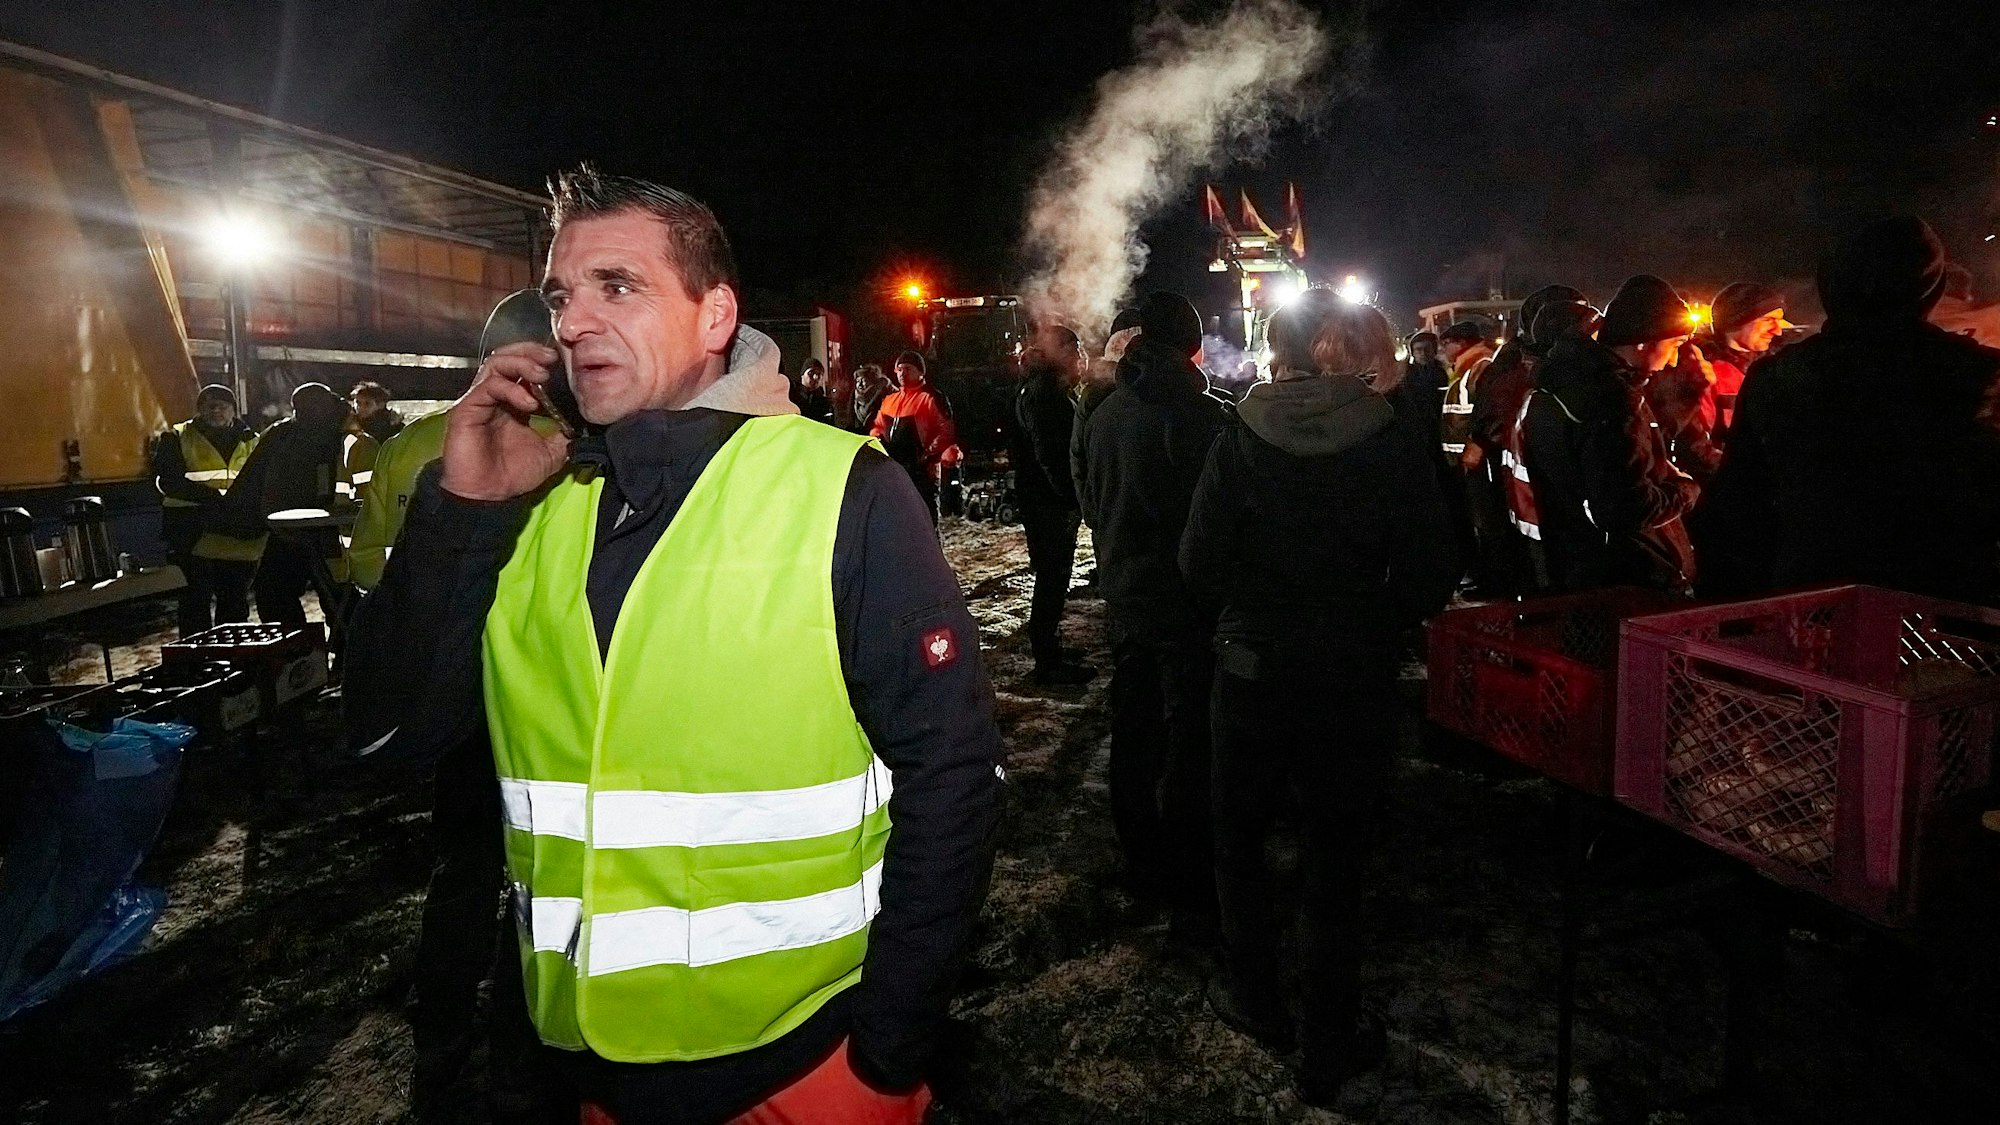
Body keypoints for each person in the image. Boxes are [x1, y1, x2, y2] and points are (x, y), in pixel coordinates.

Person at [344, 166, 1001, 1125]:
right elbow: (385, 739)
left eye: (619, 286)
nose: (572, 322)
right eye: (563, 295)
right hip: (579, 1070)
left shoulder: (842, 491)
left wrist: (886, 1053)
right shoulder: (529, 505)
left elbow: (955, 773)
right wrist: (464, 513)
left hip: (801, 1070)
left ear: (715, 314)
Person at [1180, 290, 1454, 1106]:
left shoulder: (1238, 440)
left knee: (1240, 837)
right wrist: (1372, 617)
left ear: (1277, 352)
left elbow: (1198, 565)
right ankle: (1328, 1037)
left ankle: (1257, 998)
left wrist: (1249, 616)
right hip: (1350, 679)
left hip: (1253, 674)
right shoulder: (1390, 439)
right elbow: (1433, 573)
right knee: (1337, 853)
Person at [1694, 217, 2000, 604]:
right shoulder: (1980, 376)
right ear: (1930, 289)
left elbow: (1734, 512)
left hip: (1811, 603)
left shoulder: (1779, 377)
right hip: (1942, 613)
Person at [1077, 291, 1226, 944]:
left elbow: (1086, 497)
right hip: (1187, 609)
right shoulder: (1201, 417)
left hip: (1126, 600)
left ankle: (1142, 865)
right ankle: (1192, 886)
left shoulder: (1101, 413)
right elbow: (1216, 524)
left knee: (1134, 740)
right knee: (1189, 747)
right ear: (1186, 345)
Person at [1519, 275, 1698, 593]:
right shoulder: (1611, 399)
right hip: (1625, 578)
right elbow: (1626, 508)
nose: (1673, 360)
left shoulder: (1565, 380)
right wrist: (1685, 489)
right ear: (1643, 341)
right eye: (1674, 346)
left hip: (1580, 566)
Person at [1462, 287, 1587, 594]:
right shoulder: (1525, 363)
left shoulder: (1516, 359)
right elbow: (1498, 408)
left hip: (1518, 469)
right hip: (1522, 470)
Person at [207, 382, 354, 625]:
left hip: (323, 532)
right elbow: (253, 480)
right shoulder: (297, 434)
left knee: (333, 598)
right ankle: (304, 653)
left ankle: (312, 653)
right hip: (297, 531)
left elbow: (251, 480)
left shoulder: (339, 434)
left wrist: (236, 516)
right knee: (282, 594)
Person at [1011, 325, 1093, 685]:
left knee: (1053, 577)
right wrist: (1069, 495)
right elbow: (1049, 454)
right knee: (1051, 578)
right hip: (1046, 502)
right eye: (1073, 347)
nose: (1079, 355)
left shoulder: (1046, 386)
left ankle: (1052, 649)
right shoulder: (1043, 391)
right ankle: (1047, 661)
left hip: (1043, 498)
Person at [1647, 283, 1792, 481]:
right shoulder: (1701, 370)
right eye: (1768, 320)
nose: (1778, 331)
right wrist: (1745, 478)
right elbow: (1695, 447)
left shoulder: (1777, 367)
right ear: (1737, 320)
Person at [152, 384, 259, 638]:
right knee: (194, 599)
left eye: (223, 406)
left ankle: (234, 653)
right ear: (199, 410)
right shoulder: (176, 437)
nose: (217, 411)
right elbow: (169, 481)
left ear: (233, 410)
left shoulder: (251, 440)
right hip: (190, 531)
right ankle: (197, 657)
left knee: (233, 598)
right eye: (210, 406)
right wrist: (216, 499)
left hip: (231, 529)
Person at [869, 351, 961, 523]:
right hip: (894, 473)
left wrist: (925, 456)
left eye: (908, 369)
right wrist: (877, 443)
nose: (902, 373)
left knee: (924, 523)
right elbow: (878, 427)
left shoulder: (930, 398)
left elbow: (946, 431)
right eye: (899, 369)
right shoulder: (890, 400)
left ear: (920, 372)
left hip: (921, 476)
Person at [346, 380, 406, 476]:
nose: (360, 407)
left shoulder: (392, 428)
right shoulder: (350, 425)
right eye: (358, 402)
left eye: (367, 404)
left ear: (380, 405)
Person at [793, 358, 835, 424]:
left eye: (819, 374)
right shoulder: (792, 398)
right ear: (802, 374)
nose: (815, 377)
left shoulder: (825, 403)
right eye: (811, 373)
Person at [849, 362, 888, 435]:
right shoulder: (854, 398)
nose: (859, 384)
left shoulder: (884, 395)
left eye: (863, 380)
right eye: (857, 381)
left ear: (873, 381)